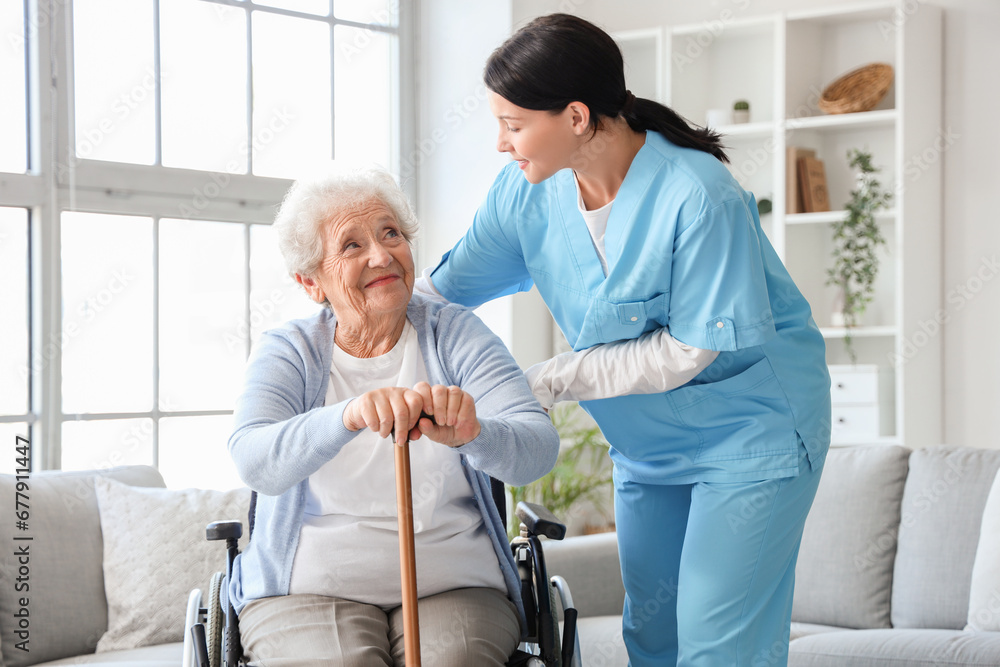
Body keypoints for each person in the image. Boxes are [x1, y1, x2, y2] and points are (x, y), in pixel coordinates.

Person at [418, 13, 832, 667]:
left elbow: (688, 351)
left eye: (514, 123)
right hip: (646, 447)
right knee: (653, 634)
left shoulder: (699, 194)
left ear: (577, 117)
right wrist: (343, 310)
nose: (501, 142)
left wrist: (549, 380)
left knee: (717, 642)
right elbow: (439, 295)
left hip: (754, 435)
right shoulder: (525, 196)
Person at [225, 165, 560, 667]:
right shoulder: (288, 351)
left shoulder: (457, 335)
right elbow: (255, 459)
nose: (382, 255)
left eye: (391, 234)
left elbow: (537, 449)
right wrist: (349, 415)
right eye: (352, 246)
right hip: (307, 590)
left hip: (455, 583)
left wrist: (476, 433)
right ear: (311, 282)